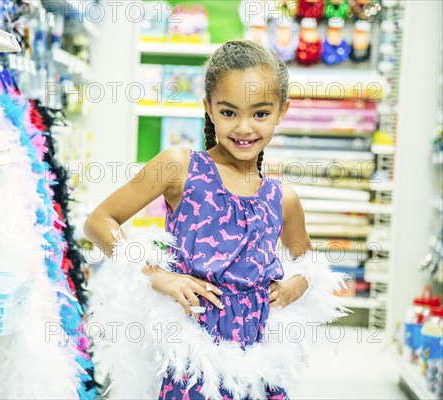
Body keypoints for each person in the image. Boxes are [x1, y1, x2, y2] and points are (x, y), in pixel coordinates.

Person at [84, 40, 341, 399]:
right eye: (229, 112)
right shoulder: (181, 166)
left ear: (282, 111)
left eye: (261, 114)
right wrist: (157, 275)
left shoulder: (282, 197)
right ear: (208, 108)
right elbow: (99, 221)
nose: (244, 127)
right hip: (192, 361)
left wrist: (298, 284)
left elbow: (307, 262)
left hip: (257, 367)